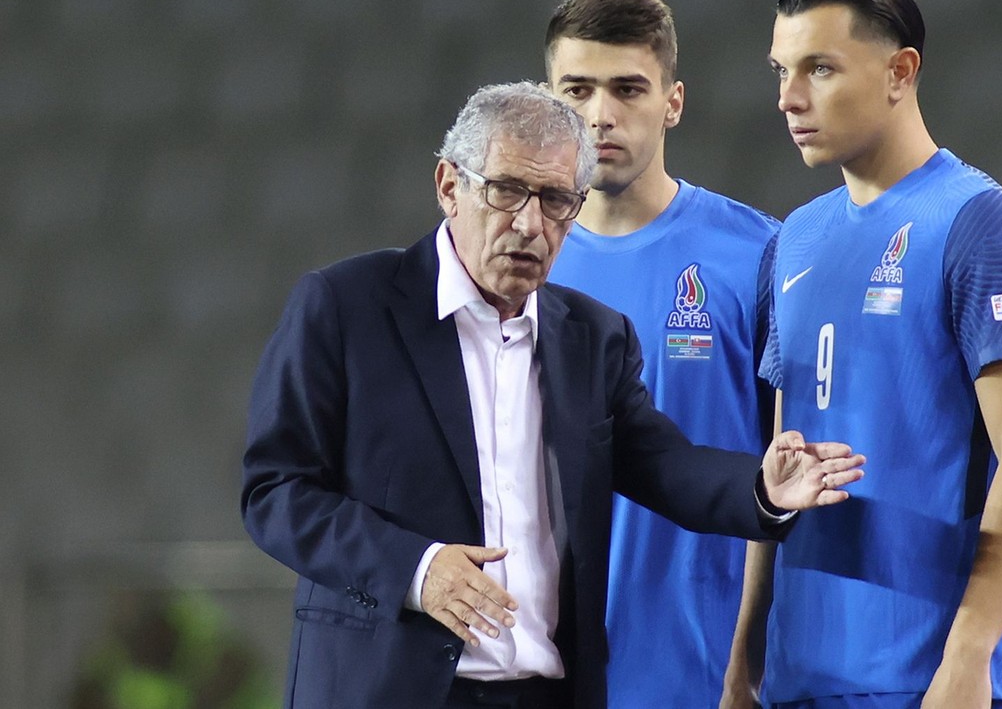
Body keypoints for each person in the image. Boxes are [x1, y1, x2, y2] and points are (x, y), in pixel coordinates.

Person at [240, 81, 864, 709]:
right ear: (449, 186)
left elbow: (663, 464)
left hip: (548, 693)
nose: (530, 224)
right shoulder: (347, 307)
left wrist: (762, 490)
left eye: (557, 200)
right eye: (506, 190)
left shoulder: (593, 336)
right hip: (384, 688)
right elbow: (276, 491)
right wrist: (418, 569)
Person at [722, 0, 1002, 709]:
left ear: (899, 72)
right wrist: (744, 661)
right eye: (782, 71)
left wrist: (968, 657)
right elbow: (776, 469)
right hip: (797, 681)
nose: (788, 97)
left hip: (926, 683)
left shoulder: (979, 224)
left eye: (819, 68)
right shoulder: (795, 238)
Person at [542, 0, 781, 709]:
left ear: (673, 102)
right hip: (542, 675)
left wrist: (748, 665)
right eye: (576, 89)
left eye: (628, 89)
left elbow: (781, 470)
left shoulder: (758, 254)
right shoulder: (513, 266)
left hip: (705, 676)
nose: (599, 114)